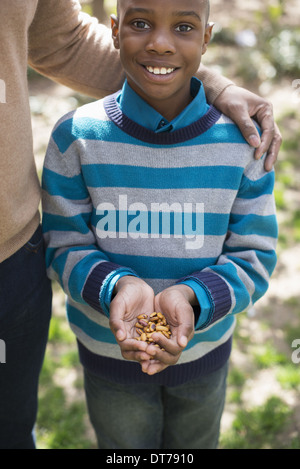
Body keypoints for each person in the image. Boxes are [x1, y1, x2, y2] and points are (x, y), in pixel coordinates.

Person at [42, 0, 278, 449]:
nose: (160, 42)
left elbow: (255, 256)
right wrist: (116, 286)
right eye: (141, 23)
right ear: (114, 31)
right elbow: (62, 244)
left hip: (204, 355)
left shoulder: (241, 145)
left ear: (207, 37)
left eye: (184, 26)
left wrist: (192, 297)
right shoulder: (75, 138)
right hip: (109, 357)